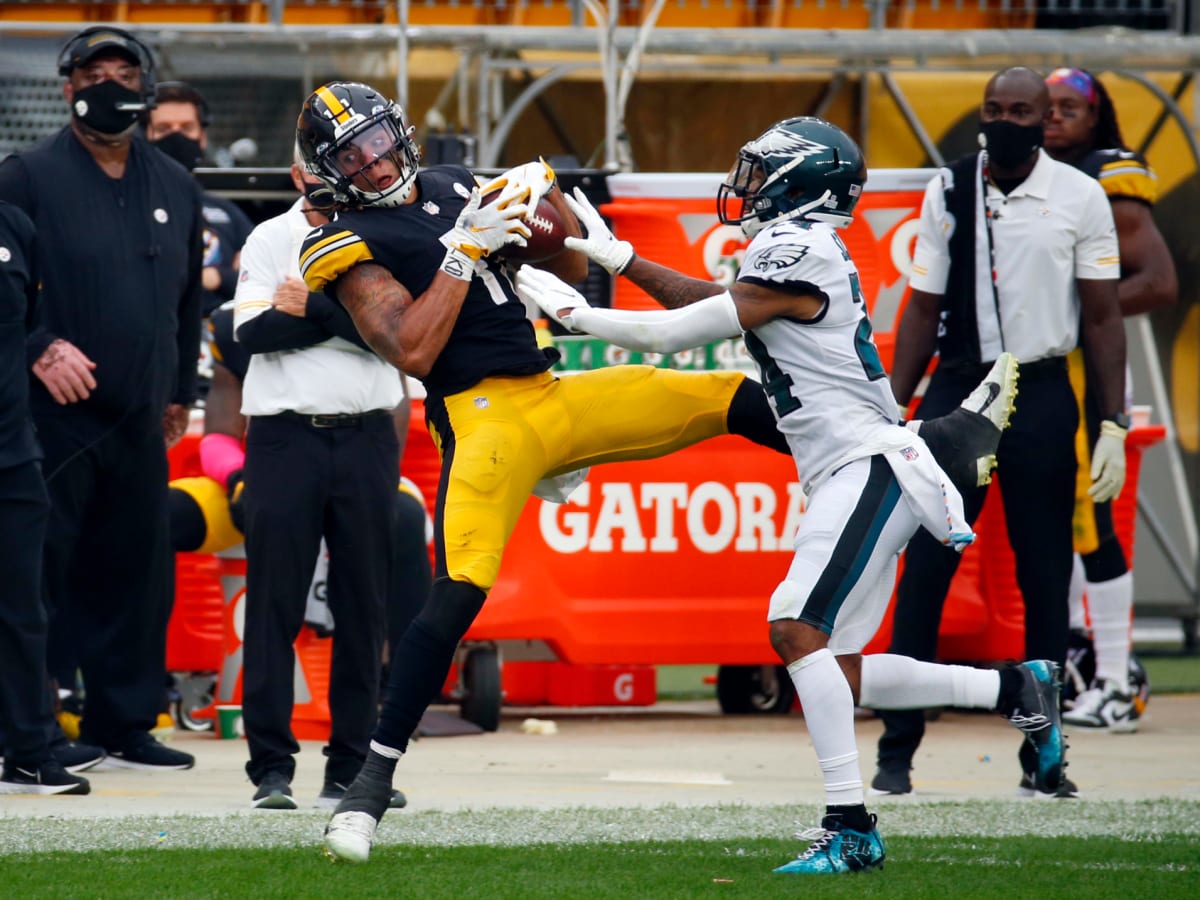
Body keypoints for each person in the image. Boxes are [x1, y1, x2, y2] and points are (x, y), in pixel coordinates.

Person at [288, 82, 1044, 867]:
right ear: (329, 169)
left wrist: (558, 227)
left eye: (381, 141)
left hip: (553, 392)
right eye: (354, 155)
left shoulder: (449, 185)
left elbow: (558, 229)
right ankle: (367, 792)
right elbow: (410, 348)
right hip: (484, 422)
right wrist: (461, 250)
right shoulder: (339, 240)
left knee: (727, 396)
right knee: (459, 593)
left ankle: (904, 451)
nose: (376, 164)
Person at [517, 116, 1068, 875]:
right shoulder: (797, 253)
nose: (743, 185)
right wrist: (627, 259)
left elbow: (679, 334)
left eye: (759, 171)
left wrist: (574, 312)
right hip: (856, 465)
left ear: (798, 180)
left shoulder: (800, 248)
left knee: (794, 628)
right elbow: (720, 303)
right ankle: (1018, 688)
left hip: (865, 464)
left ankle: (850, 826)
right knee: (832, 663)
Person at [868, 67, 1128, 800]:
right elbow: (920, 306)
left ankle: (1043, 760)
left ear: (1046, 119)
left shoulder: (1080, 195)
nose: (1003, 120)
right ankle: (897, 751)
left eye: (1020, 110)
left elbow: (1104, 319)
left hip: (1042, 392)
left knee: (1044, 578)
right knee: (925, 569)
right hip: (961, 388)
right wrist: (894, 406)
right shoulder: (948, 188)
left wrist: (1112, 422)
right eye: (992, 109)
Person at [0, 26, 202, 771]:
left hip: (140, 416)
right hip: (49, 419)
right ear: (67, 88)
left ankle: (123, 720)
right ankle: (36, 724)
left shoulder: (176, 184)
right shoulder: (25, 176)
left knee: (137, 574)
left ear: (147, 84)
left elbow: (184, 301)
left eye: (124, 70)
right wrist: (37, 346)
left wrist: (181, 389)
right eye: (94, 72)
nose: (109, 83)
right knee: (41, 575)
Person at [232, 146, 414, 811]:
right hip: (284, 437)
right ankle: (271, 770)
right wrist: (351, 322)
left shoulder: (385, 232)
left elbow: (401, 338)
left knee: (365, 605)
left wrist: (311, 307)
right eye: (322, 163)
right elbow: (249, 334)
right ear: (296, 174)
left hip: (366, 434)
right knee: (274, 603)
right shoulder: (270, 237)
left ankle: (352, 768)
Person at [1043, 66, 1178, 733]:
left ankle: (1118, 681)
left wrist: (1072, 311)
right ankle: (1079, 657)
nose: (1055, 116)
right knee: (1058, 524)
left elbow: (1157, 282)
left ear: (1097, 118)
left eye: (1071, 106)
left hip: (1084, 372)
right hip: (1043, 372)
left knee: (1091, 522)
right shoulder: (1026, 176)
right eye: (1048, 105)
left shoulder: (1106, 175)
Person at [0, 201, 91, 796]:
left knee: (22, 609)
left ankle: (30, 748)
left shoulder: (14, 224)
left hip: (11, 451)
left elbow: (32, 322)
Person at [145, 81, 255, 319]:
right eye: (164, 128)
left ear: (202, 137)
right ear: (146, 135)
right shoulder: (126, 204)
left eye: (186, 128)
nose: (176, 136)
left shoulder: (225, 212)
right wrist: (210, 277)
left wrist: (219, 277)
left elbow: (262, 276)